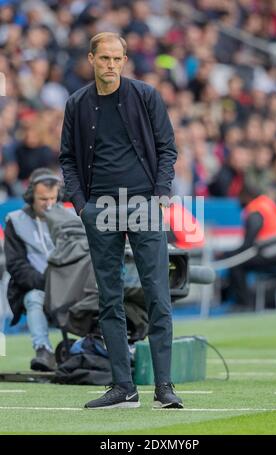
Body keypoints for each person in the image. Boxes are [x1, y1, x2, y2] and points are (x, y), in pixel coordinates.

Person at [59, 32, 183, 409]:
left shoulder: (146, 96)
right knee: (109, 299)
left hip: (144, 203)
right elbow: (67, 158)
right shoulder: (77, 103)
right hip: (100, 208)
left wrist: (161, 195)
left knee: (158, 295)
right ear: (92, 59)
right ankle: (122, 386)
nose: (110, 65)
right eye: (104, 59)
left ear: (125, 61)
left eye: (117, 59)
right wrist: (82, 205)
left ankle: (164, 387)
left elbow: (167, 148)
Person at [4, 168, 63, 371]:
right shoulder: (15, 221)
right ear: (31, 197)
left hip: (71, 285)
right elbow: (16, 265)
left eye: (52, 198)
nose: (48, 204)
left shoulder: (70, 218)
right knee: (34, 298)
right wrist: (46, 283)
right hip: (37, 285)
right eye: (42, 199)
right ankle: (43, 350)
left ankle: (97, 347)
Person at [219, 183, 276, 308]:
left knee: (237, 265)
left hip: (274, 255)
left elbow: (247, 245)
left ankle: (243, 304)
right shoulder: (267, 203)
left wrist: (226, 255)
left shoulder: (255, 209)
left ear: (246, 196)